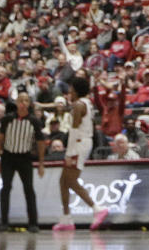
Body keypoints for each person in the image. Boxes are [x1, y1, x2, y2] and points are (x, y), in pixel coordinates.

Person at [52, 77, 110, 231]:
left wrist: (69, 151)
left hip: (78, 143)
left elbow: (75, 130)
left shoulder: (78, 105)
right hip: (81, 142)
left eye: (71, 89)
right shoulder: (87, 102)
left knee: (71, 181)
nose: (69, 91)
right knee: (63, 180)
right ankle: (66, 218)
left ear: (76, 90)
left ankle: (97, 208)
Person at [0, 92, 45, 233]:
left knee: (29, 189)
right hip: (8, 158)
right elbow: (0, 140)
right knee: (6, 188)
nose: (23, 102)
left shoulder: (34, 121)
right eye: (21, 100)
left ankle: (33, 223)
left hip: (25, 158)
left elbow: (41, 143)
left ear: (29, 103)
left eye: (26, 100)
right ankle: (4, 222)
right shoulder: (7, 120)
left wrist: (41, 163)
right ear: (16, 102)